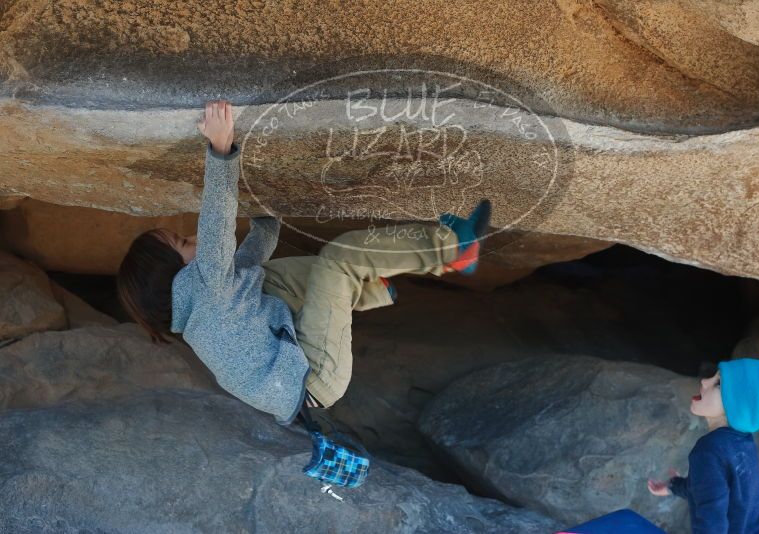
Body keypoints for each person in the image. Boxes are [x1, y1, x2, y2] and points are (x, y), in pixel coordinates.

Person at [116, 99, 492, 425]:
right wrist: (220, 147)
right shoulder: (204, 287)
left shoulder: (206, 311)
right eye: (183, 242)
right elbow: (215, 222)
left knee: (262, 276)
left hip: (299, 374)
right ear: (175, 275)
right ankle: (453, 249)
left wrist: (271, 205)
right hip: (313, 376)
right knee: (339, 259)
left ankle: (367, 290)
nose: (194, 238)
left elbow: (256, 248)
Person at [647, 358, 759, 533]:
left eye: (718, 383)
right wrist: (674, 486)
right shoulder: (744, 443)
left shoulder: (708, 451)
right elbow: (716, 490)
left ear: (739, 406)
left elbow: (711, 520)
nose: (705, 381)